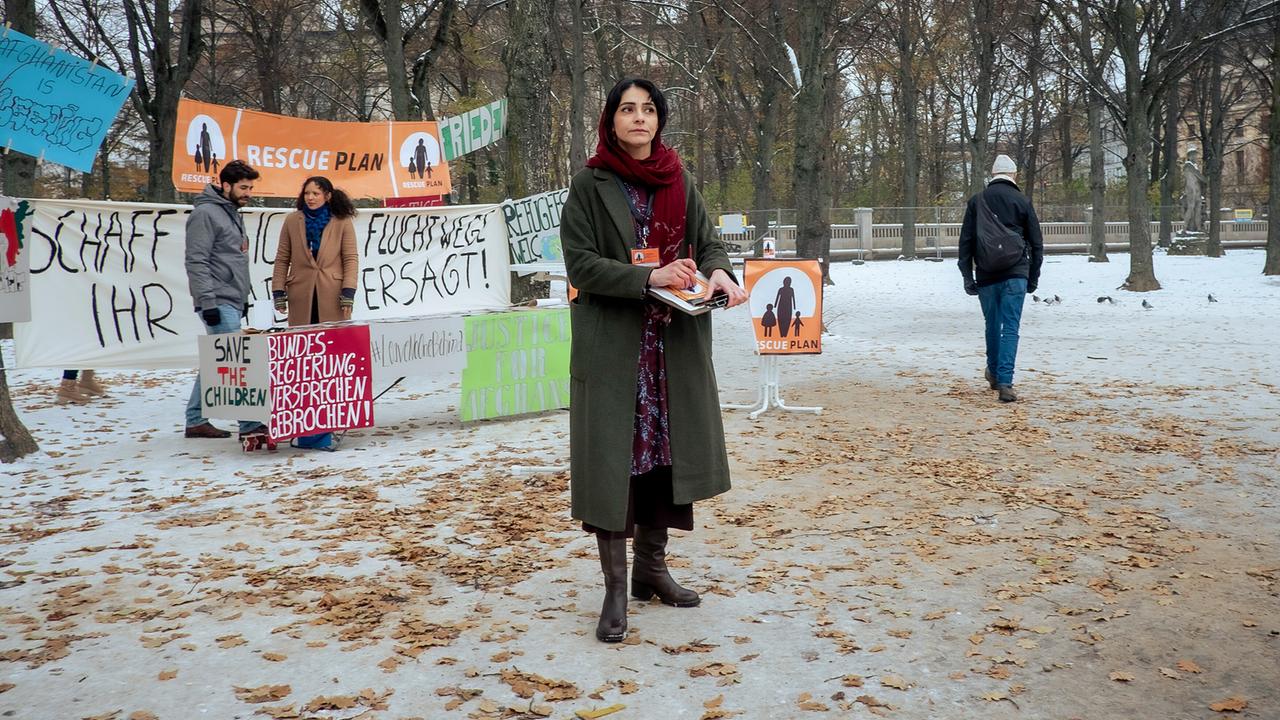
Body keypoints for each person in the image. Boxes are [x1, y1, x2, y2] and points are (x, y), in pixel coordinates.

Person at [560, 77, 748, 644]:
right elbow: (582, 266)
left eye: (648, 110)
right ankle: (616, 589)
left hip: (671, 348)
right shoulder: (590, 184)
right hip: (616, 348)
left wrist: (718, 271)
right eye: (627, 109)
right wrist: (648, 277)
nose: (638, 119)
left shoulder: (680, 179)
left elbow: (707, 242)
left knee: (663, 462)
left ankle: (651, 568)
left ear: (659, 120)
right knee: (613, 465)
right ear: (611, 120)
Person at [183, 159, 274, 449]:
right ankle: (250, 423)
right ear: (226, 185)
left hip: (232, 298)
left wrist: (242, 298)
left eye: (250, 187)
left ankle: (195, 419)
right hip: (217, 298)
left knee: (218, 360)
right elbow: (196, 260)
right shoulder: (206, 214)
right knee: (237, 361)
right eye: (243, 187)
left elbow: (234, 257)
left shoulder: (231, 212)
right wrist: (207, 301)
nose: (248, 192)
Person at [271, 176, 359, 451]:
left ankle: (330, 423)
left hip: (332, 297)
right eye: (307, 193)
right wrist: (278, 290)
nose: (310, 197)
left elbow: (350, 259)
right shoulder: (292, 221)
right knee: (303, 364)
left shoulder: (342, 221)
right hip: (300, 297)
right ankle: (305, 427)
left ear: (328, 196)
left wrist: (348, 291)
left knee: (331, 363)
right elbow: (282, 256)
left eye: (316, 193)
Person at [957, 154, 1044, 403]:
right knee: (1011, 327)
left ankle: (993, 373)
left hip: (986, 273)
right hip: (1016, 273)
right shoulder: (1022, 201)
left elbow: (966, 242)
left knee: (992, 324)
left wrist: (967, 275)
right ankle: (1005, 382)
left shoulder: (977, 201)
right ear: (1014, 175)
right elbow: (1037, 243)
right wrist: (1033, 276)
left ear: (993, 175)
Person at [1182, 146, 1206, 233]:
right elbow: (1200, 177)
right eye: (1194, 155)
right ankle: (1185, 228)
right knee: (1191, 207)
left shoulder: (1194, 166)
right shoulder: (1188, 165)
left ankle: (1198, 228)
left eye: (1196, 155)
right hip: (1191, 189)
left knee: (1198, 209)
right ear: (1190, 156)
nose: (1196, 157)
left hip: (1196, 189)